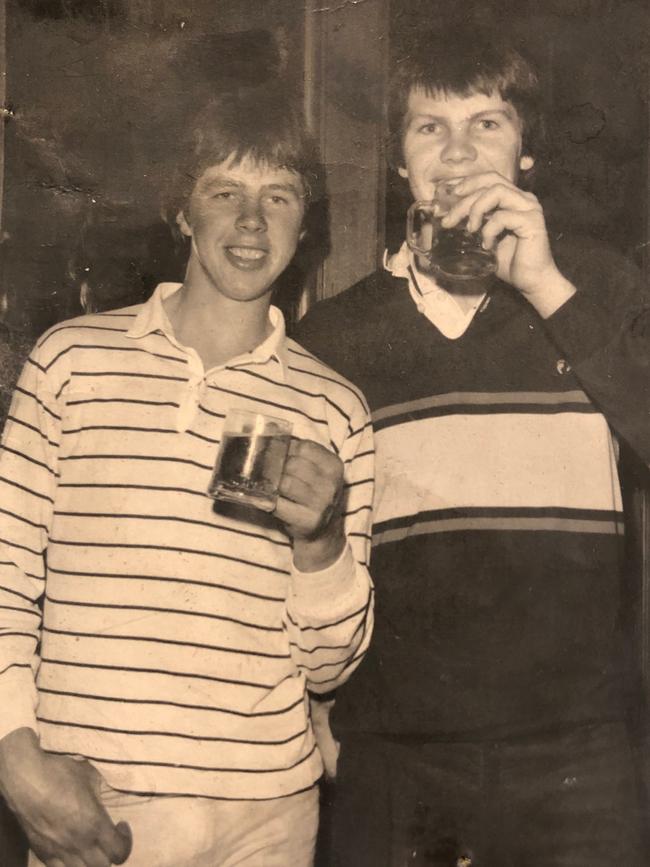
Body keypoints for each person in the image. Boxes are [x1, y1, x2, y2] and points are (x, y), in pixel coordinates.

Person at [295, 27, 649, 867]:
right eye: (429, 127)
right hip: (395, 761)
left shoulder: (599, 288)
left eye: (487, 123)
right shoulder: (333, 337)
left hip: (580, 762)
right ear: (398, 160)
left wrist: (546, 286)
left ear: (527, 153)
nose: (457, 152)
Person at [0, 83, 374, 867]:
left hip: (267, 817)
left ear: (305, 226)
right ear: (181, 211)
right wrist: (15, 755)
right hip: (99, 805)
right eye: (224, 191)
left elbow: (333, 662)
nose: (250, 221)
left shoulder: (335, 407)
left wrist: (322, 543)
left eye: (278, 195)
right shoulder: (73, 361)